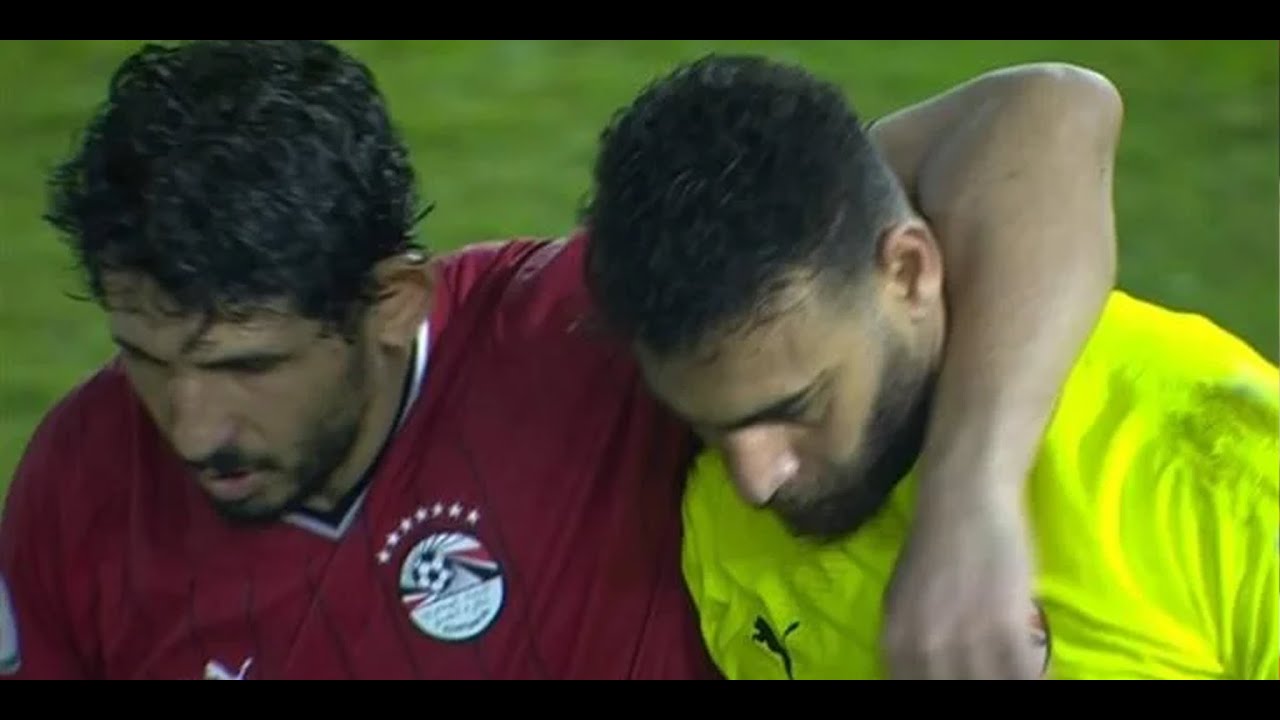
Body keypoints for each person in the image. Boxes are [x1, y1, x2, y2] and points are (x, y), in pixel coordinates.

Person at [0, 41, 1114, 680]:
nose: (191, 425)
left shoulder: (579, 332)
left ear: (391, 302)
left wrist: (971, 502)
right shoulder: (79, 485)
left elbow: (1047, 115)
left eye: (248, 367)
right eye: (144, 357)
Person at [582, 54, 1279, 680]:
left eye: (797, 407)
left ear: (909, 273)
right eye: (710, 426)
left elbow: (1054, 106)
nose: (756, 481)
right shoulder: (719, 530)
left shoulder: (1216, 473)